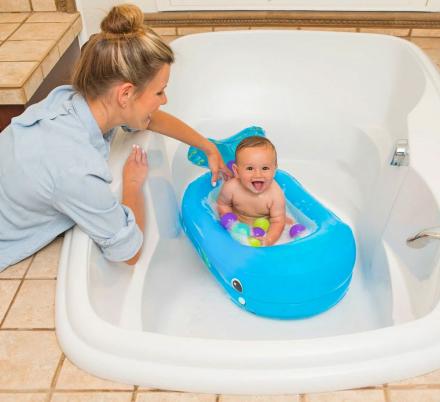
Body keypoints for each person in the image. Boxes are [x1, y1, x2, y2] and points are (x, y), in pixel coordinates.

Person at [0, 3, 230, 272]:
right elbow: (128, 252)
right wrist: (131, 184)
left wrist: (206, 146)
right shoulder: (75, 168)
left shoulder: (73, 102)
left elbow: (149, 119)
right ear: (125, 94)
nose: (164, 100)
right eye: (159, 93)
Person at [217, 136, 293, 246]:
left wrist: (269, 239)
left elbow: (277, 221)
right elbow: (222, 204)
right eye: (250, 168)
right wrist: (230, 222)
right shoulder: (231, 188)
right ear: (237, 171)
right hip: (240, 226)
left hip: (265, 227)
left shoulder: (275, 195)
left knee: (284, 222)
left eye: (265, 168)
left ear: (274, 169)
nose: (258, 174)